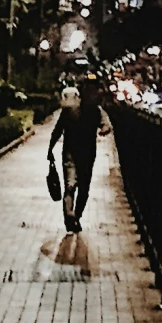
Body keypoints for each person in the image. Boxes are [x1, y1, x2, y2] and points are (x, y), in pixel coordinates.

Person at [49, 74, 106, 227]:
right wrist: (50, 149)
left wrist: (103, 130)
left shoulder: (97, 111)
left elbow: (106, 125)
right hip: (71, 153)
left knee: (83, 188)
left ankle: (75, 217)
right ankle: (70, 216)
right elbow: (58, 129)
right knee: (70, 184)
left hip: (87, 155)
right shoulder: (70, 110)